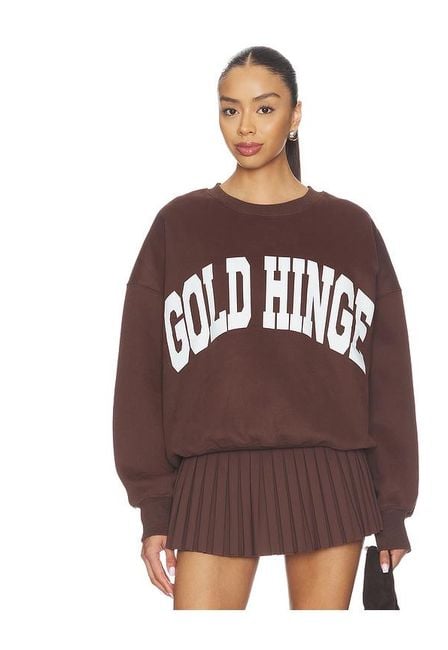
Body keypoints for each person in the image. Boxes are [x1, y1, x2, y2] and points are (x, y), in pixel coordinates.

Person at [112, 45, 419, 610]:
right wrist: (154, 507)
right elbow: (139, 377)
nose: (245, 127)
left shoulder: (349, 228)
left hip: (331, 478)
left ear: (295, 114)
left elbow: (388, 378)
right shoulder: (180, 225)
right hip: (211, 480)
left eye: (265, 108)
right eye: (230, 110)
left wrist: (393, 508)